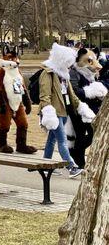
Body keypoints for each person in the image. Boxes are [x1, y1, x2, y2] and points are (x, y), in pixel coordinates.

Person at [39, 43, 95, 178]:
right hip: (54, 113)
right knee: (62, 140)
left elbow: (72, 95)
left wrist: (82, 107)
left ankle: (45, 165)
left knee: (52, 140)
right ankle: (71, 167)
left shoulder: (64, 75)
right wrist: (48, 112)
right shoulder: (47, 74)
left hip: (63, 111)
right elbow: (44, 96)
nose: (70, 65)